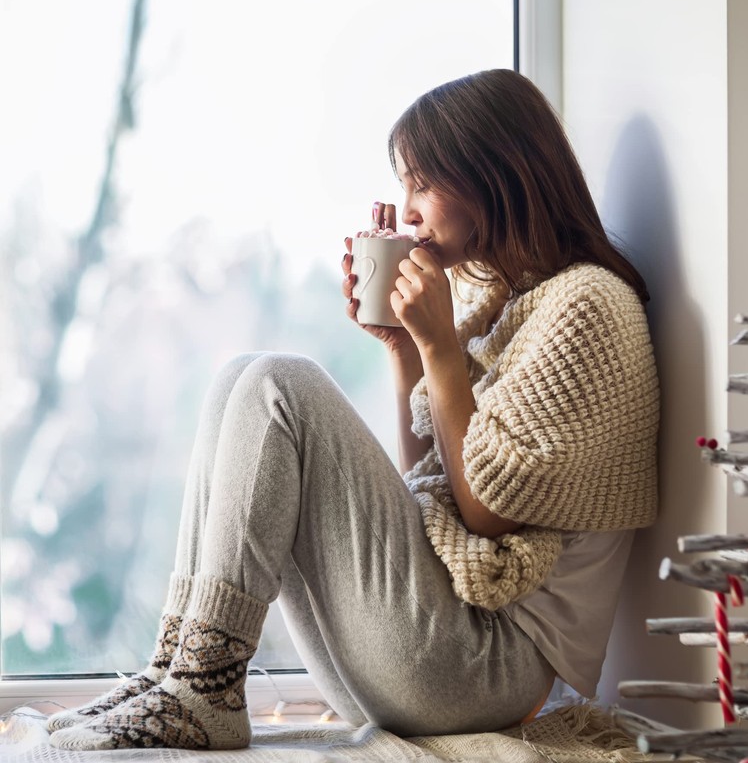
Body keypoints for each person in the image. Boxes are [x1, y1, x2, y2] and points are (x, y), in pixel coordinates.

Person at [48, 69, 659, 752]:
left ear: (497, 174)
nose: (411, 209)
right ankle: (180, 669)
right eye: (405, 186)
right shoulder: (509, 311)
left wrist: (440, 347)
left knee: (283, 383)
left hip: (493, 669)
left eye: (424, 183)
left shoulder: (588, 307)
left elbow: (488, 512)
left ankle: (204, 689)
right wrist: (406, 350)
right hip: (437, 662)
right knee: (235, 382)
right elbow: (435, 487)